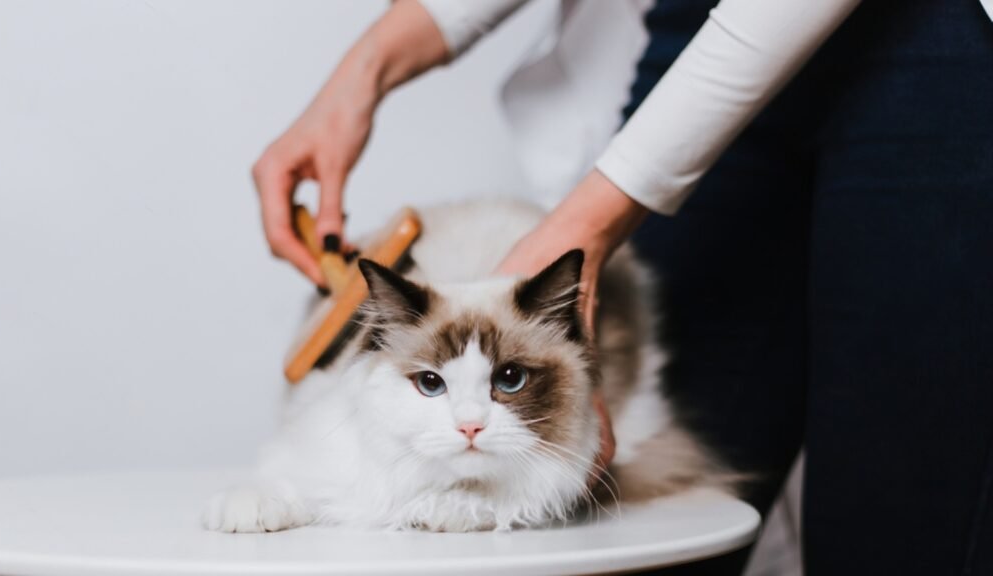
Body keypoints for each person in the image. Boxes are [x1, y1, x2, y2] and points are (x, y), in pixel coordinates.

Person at [252, 0, 993, 573]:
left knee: (891, 524)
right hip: (699, 25)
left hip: (939, 47)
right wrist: (369, 65)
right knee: (644, 529)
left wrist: (593, 219)